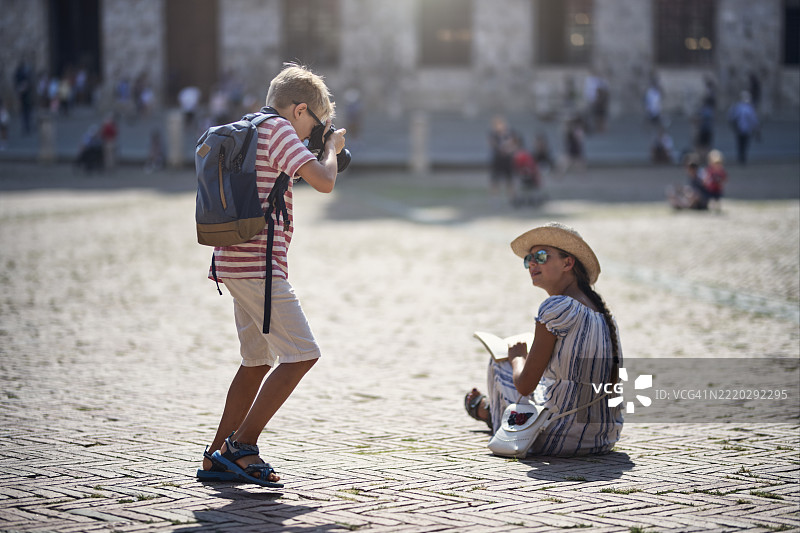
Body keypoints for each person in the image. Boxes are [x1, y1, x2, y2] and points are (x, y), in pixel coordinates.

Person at [197, 63, 347, 487]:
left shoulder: (252, 126)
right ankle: (241, 446)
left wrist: (318, 144)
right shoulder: (280, 130)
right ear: (300, 110)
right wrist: (331, 146)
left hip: (232, 261)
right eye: (314, 125)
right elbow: (324, 182)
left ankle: (214, 457)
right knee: (302, 353)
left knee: (256, 362)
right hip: (258, 268)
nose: (310, 134)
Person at [464, 222, 623, 456]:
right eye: (528, 260)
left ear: (568, 263)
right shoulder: (604, 315)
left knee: (499, 362)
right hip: (603, 437)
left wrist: (518, 358)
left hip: (562, 436)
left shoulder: (556, 307)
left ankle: (492, 414)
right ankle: (490, 411)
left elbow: (525, 385)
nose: (532, 264)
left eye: (540, 256)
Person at [727, 91, 759, 165]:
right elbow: (754, 120)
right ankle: (742, 157)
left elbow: (731, 117)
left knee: (740, 144)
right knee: (744, 144)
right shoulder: (749, 108)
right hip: (746, 129)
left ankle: (741, 157)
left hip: (740, 129)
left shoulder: (738, 107)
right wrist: (756, 129)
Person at [488, 116, 516, 199]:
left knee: (509, 177)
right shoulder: (493, 135)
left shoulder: (509, 133)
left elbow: (514, 144)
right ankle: (494, 195)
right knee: (495, 177)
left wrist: (508, 149)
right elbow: (492, 144)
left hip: (507, 159)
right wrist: (502, 148)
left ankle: (511, 194)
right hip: (498, 159)